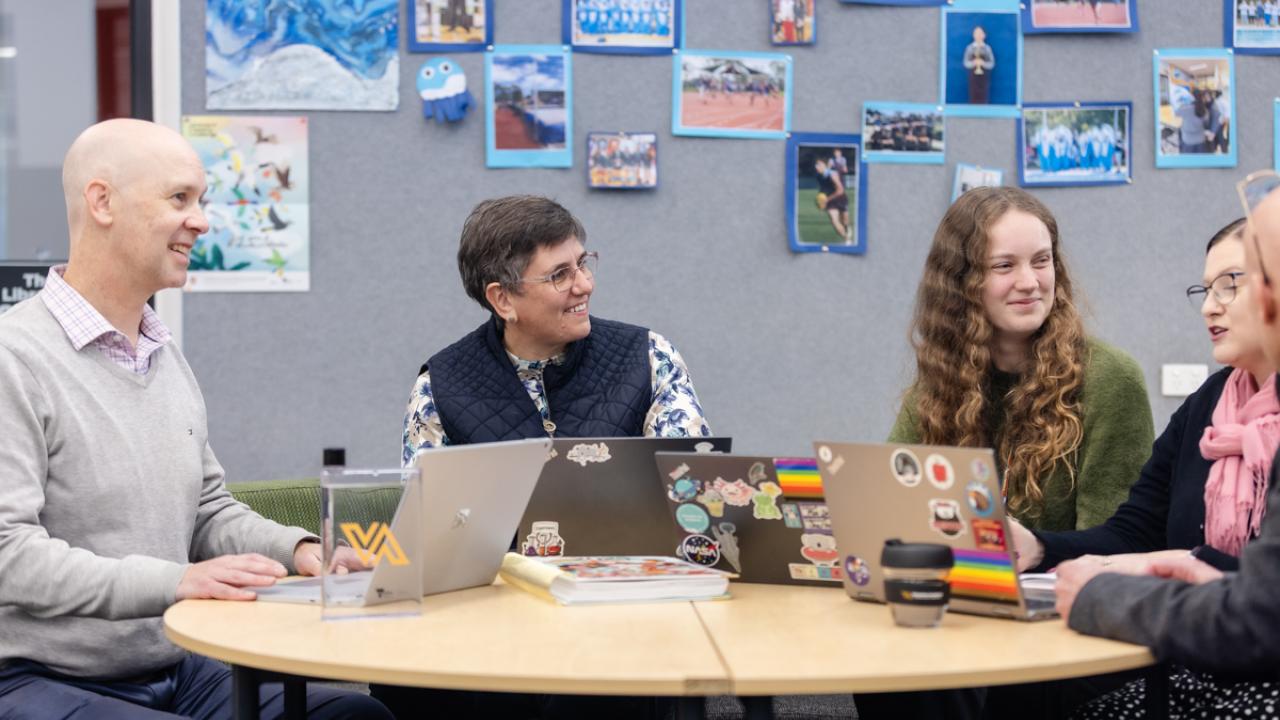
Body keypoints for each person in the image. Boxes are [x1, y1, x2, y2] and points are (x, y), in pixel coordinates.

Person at [0, 119, 390, 719]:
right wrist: (176, 581)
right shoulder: (13, 356)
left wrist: (301, 549)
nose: (202, 220)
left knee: (355, 715)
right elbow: (9, 556)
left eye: (200, 201)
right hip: (36, 677)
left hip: (173, 664)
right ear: (102, 201)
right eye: (179, 198)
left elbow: (208, 509)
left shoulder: (162, 351)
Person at [856, 186, 1154, 720]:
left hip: (1059, 634)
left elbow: (1120, 547)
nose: (1029, 282)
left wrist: (1032, 546)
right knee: (885, 668)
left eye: (1042, 261)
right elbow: (890, 506)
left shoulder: (1110, 379)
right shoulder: (940, 383)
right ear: (961, 284)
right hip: (963, 619)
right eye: (1003, 265)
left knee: (937, 683)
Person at [980, 218, 1280, 720]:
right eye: (1205, 289)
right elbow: (1136, 530)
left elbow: (1261, 606)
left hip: (1253, 671)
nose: (1210, 305)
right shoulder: (1207, 403)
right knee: (1024, 694)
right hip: (1197, 657)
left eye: (1231, 284)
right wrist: (1038, 547)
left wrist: (1185, 569)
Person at [814, 157, 852, 243]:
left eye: (819, 165)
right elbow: (823, 188)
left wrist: (826, 199)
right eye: (816, 165)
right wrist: (820, 201)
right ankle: (847, 239)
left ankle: (846, 229)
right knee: (834, 221)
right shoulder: (818, 176)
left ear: (825, 166)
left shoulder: (832, 175)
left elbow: (840, 190)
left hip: (840, 198)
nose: (817, 167)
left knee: (845, 221)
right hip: (830, 202)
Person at [962, 25, 995, 105]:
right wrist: (973, 63)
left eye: (980, 33)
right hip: (973, 76)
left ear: (984, 35)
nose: (978, 35)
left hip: (984, 77)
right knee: (973, 93)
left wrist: (983, 63)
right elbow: (965, 62)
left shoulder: (987, 48)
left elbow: (992, 63)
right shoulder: (969, 48)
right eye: (976, 33)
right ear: (973, 35)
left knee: (983, 94)